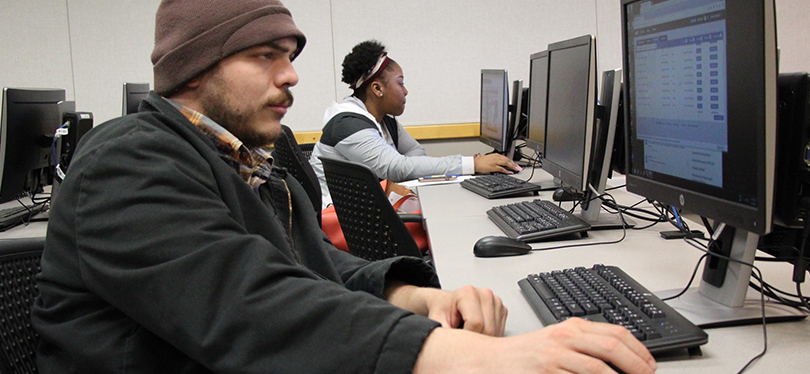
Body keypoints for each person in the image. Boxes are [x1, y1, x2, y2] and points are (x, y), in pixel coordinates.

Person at [31, 1, 657, 373]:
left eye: (291, 54)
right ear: (195, 68)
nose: (292, 74)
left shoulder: (241, 160)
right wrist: (462, 356)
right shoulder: (128, 163)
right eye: (265, 56)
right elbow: (251, 308)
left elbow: (307, 263)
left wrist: (411, 298)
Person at [310, 40, 521, 209]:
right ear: (377, 88)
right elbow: (397, 168)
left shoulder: (382, 120)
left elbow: (413, 151)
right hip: (341, 220)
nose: (406, 91)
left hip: (365, 210)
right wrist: (472, 164)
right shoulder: (348, 124)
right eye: (400, 83)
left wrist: (405, 169)